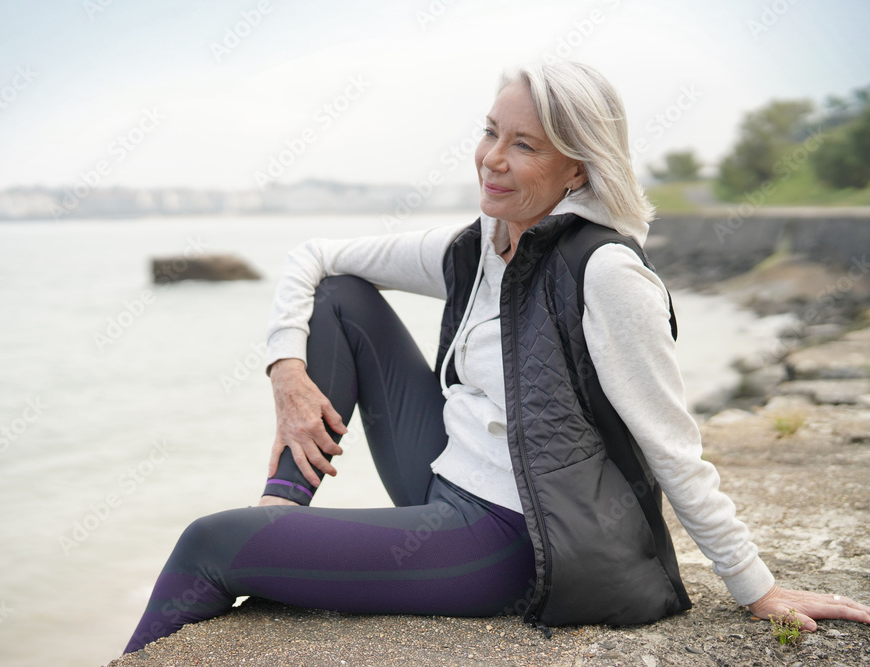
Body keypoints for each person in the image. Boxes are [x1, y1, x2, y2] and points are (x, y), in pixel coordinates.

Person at [123, 61, 870, 654]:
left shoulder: (606, 274)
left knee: (207, 544)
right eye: (491, 132)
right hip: (442, 478)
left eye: (524, 144)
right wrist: (286, 371)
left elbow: (673, 447)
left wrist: (755, 586)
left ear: (577, 168)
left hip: (512, 538)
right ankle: (280, 507)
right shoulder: (481, 243)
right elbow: (312, 257)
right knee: (341, 297)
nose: (493, 159)